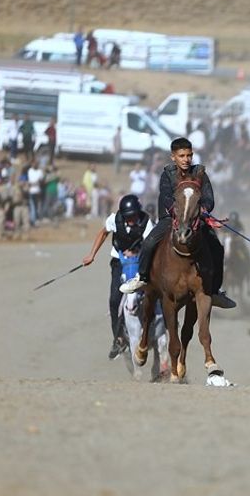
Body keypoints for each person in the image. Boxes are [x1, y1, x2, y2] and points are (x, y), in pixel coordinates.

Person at [118, 138, 235, 308]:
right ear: (173, 157)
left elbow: (209, 197)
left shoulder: (200, 174)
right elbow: (166, 197)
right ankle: (142, 278)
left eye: (189, 155)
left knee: (217, 247)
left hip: (195, 219)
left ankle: (215, 290)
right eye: (182, 156)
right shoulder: (167, 174)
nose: (186, 159)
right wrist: (177, 212)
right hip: (170, 219)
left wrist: (204, 208)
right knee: (149, 242)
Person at [85, 194, 155, 359]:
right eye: (128, 217)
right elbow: (103, 234)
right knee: (114, 300)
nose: (131, 220)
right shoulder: (114, 220)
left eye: (134, 216)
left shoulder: (146, 223)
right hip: (119, 263)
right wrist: (91, 255)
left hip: (139, 263)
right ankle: (119, 339)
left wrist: (137, 253)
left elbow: (151, 246)